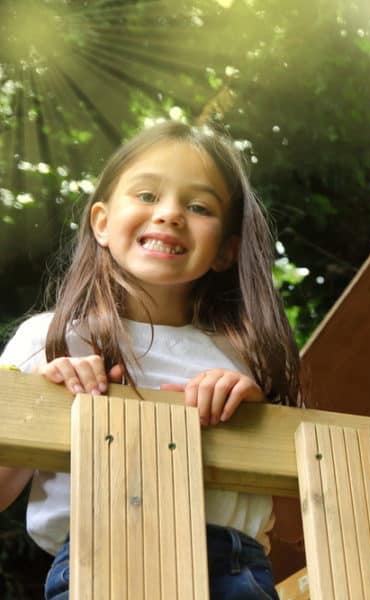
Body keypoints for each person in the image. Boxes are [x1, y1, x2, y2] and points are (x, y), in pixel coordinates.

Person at [0, 120, 301, 599]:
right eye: (146, 195)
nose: (169, 214)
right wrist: (38, 400)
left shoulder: (246, 357)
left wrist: (258, 418)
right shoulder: (52, 339)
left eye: (199, 206)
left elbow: (298, 523)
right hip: (98, 564)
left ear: (227, 249)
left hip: (232, 568)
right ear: (101, 222)